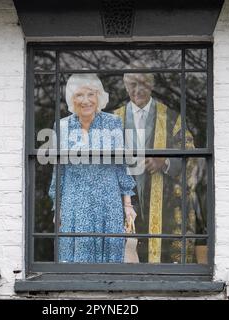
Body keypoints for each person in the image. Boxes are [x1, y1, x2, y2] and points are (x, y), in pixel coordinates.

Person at [113, 71, 206, 264]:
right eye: (132, 84)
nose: (137, 89)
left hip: (165, 205)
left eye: (143, 83)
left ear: (152, 85)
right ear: (125, 86)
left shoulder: (172, 119)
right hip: (123, 202)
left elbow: (192, 158)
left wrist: (165, 162)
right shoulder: (113, 120)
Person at [48, 73, 137, 263]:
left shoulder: (112, 123)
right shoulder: (62, 126)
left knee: (110, 258)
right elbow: (58, 171)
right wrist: (58, 207)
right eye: (79, 95)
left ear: (99, 97)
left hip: (108, 200)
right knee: (76, 256)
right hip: (74, 201)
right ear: (72, 99)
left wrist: (127, 205)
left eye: (91, 94)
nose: (86, 101)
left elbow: (121, 165)